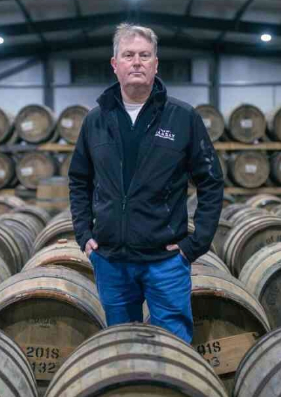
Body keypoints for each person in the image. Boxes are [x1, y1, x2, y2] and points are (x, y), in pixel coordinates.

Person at [67, 23, 224, 343]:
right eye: (128, 55)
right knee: (121, 346)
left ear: (155, 63)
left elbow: (211, 182)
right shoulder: (95, 120)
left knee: (175, 346)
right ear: (115, 64)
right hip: (110, 260)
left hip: (165, 261)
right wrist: (84, 234)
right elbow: (78, 180)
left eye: (144, 55)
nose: (136, 61)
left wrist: (195, 245)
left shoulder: (183, 117)